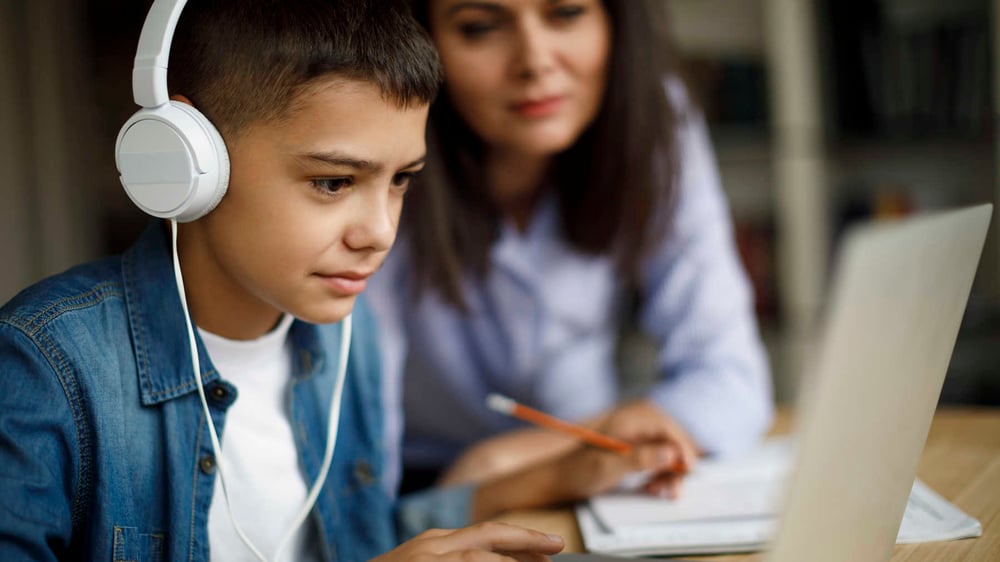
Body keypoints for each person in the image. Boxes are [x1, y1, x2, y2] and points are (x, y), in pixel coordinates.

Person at [0, 0, 567, 560]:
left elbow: (357, 538)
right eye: (333, 182)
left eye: (401, 180)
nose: (381, 233)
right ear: (188, 157)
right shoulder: (45, 365)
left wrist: (553, 480)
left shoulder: (348, 333)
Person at [367, 0, 775, 524]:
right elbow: (362, 488)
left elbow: (731, 380)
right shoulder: (378, 148)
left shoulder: (654, 118)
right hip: (423, 490)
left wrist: (509, 460)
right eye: (482, 28)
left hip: (585, 472)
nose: (535, 61)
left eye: (565, 14)